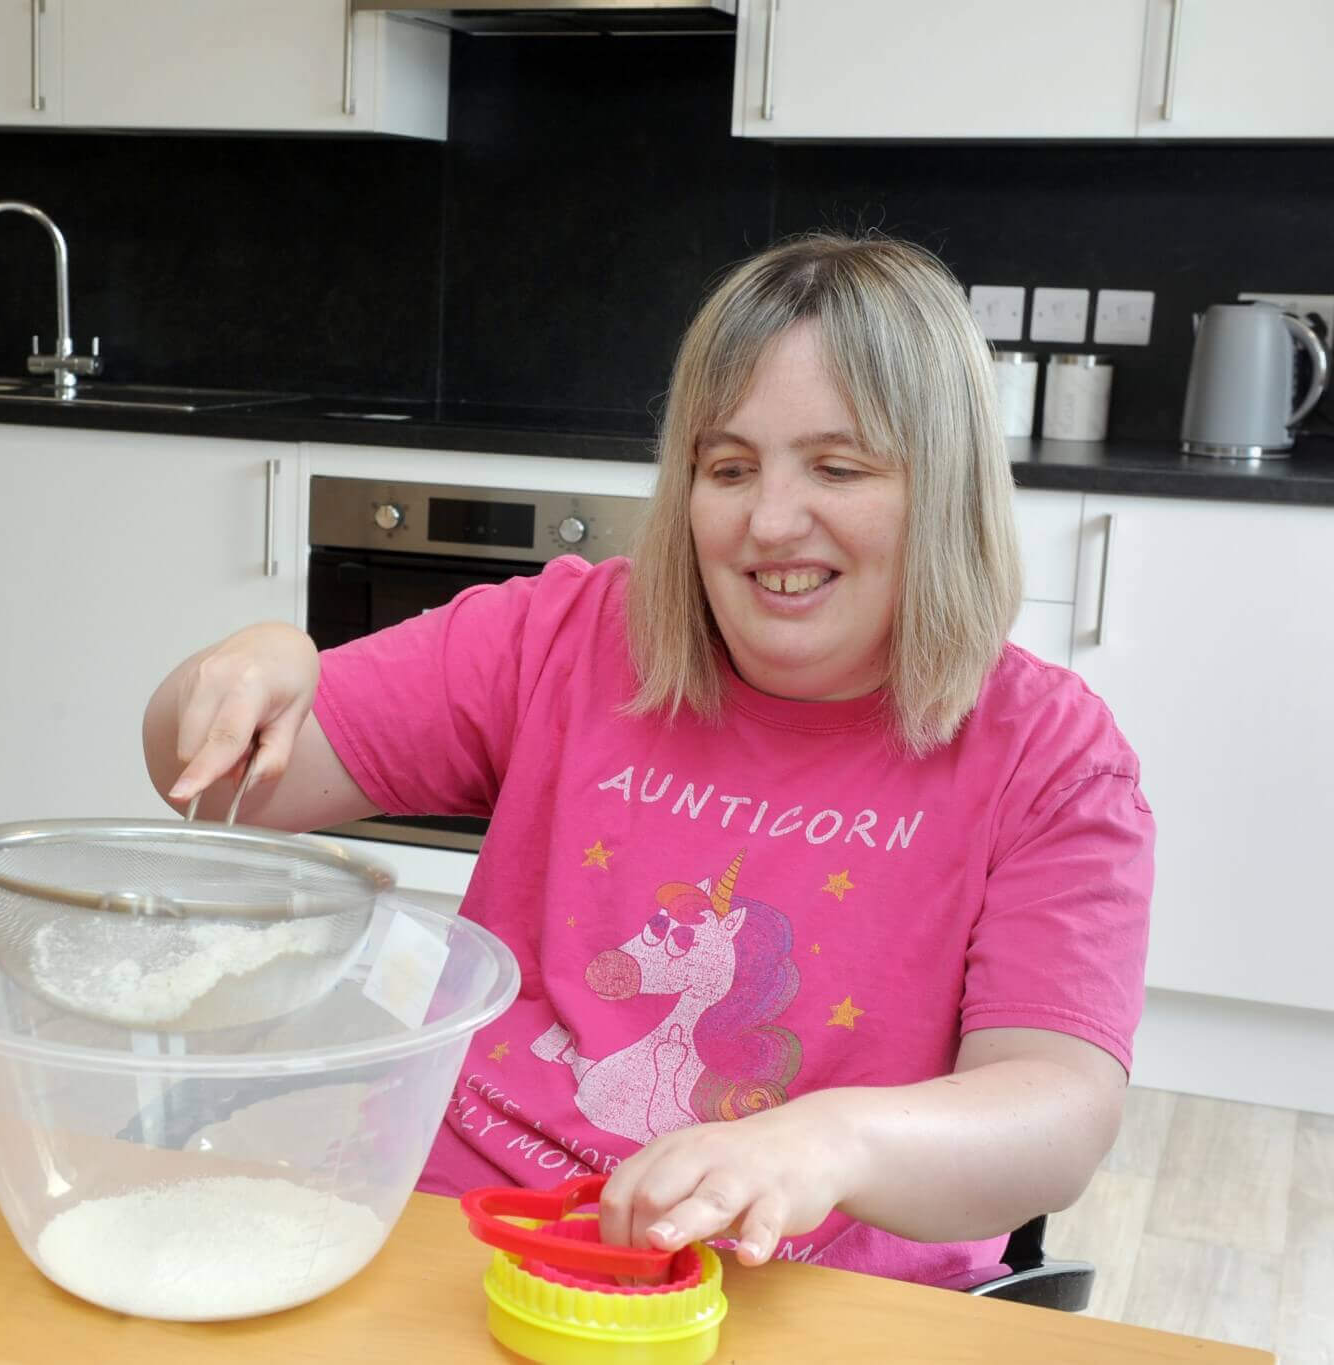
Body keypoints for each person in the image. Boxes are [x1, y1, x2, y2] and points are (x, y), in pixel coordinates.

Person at [141, 233, 1153, 1285]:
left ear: (939, 487)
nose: (767, 520)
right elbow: (222, 790)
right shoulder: (568, 637)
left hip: (808, 1297)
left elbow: (1057, 1111)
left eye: (836, 466)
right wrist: (242, 672)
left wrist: (831, 1142)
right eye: (727, 467)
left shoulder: (1046, 756)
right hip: (472, 1242)